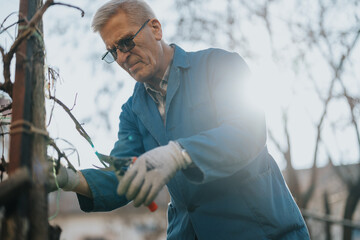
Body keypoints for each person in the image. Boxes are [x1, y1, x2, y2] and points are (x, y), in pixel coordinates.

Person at [50, 0, 310, 239]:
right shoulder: (132, 111)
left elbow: (247, 131)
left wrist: (179, 154)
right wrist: (72, 180)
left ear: (155, 29)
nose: (121, 58)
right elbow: (124, 174)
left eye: (126, 42)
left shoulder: (218, 65)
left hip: (260, 230)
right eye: (112, 51)